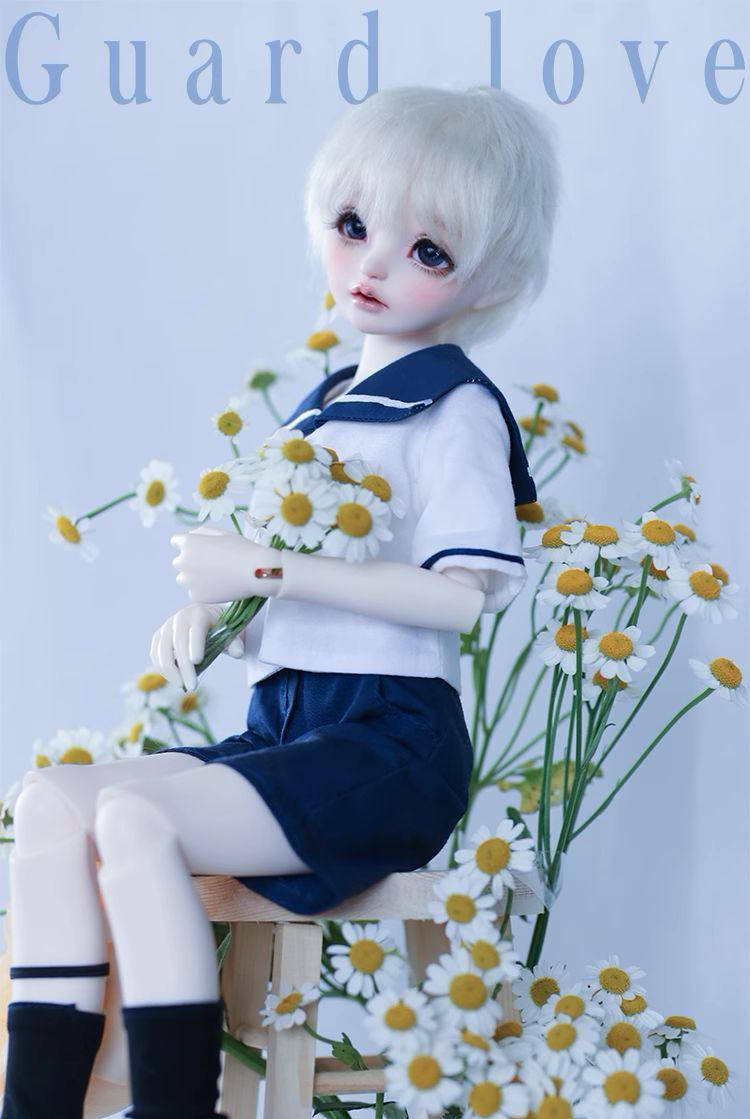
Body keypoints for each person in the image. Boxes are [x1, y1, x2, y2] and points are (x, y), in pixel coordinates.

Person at [1, 85, 559, 1118]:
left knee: (134, 821)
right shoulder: (320, 413)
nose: (374, 265)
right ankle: (37, 1105)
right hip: (286, 729)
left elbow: (459, 601)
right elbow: (294, 566)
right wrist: (217, 617)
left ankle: (176, 1105)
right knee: (49, 803)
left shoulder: (455, 410)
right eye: (353, 226)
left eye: (427, 250)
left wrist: (261, 573)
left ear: (494, 273)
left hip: (389, 746)